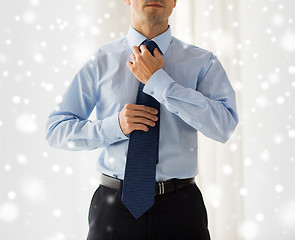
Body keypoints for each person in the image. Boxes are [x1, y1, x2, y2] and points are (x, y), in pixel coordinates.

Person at [45, 0, 239, 239]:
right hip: (114, 208)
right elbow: (56, 129)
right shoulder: (101, 60)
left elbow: (224, 126)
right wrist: (114, 126)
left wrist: (160, 82)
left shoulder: (202, 62)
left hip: (182, 210)